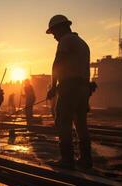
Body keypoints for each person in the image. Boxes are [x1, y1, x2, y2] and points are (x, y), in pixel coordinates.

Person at [46, 15, 92, 169]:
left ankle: (67, 159)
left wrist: (53, 87)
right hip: (83, 88)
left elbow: (57, 64)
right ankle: (86, 160)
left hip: (70, 88)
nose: (54, 37)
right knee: (80, 124)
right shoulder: (82, 43)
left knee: (63, 122)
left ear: (61, 28)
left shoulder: (65, 41)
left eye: (53, 33)